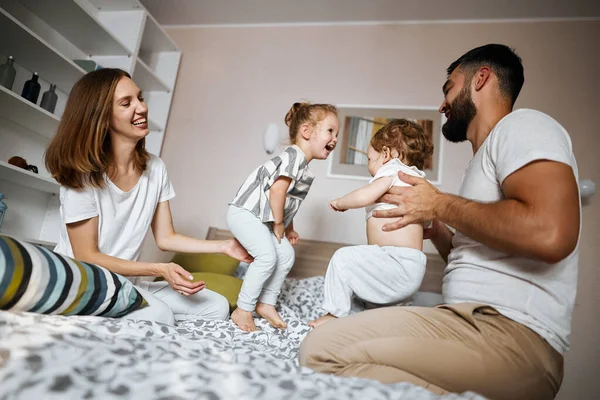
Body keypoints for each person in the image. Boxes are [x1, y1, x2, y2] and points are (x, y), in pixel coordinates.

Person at [299, 44, 580, 400]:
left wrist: (440, 204)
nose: (442, 103)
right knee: (320, 349)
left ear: (481, 79)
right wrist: (437, 229)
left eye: (449, 87)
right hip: (464, 322)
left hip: (508, 333)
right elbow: (471, 260)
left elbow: (550, 233)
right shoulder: (477, 167)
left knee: (323, 349)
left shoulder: (524, 126)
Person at [45, 68, 252, 325]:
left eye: (140, 98)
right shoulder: (81, 174)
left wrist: (223, 246)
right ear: (101, 117)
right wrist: (158, 269)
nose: (141, 108)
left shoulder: (155, 168)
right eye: (126, 103)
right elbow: (87, 256)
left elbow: (166, 237)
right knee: (160, 315)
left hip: (125, 284)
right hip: (82, 283)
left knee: (216, 307)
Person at [308, 119, 433, 328]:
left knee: (343, 259)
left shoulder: (393, 171)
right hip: (411, 267)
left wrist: (342, 202)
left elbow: (365, 196)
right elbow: (427, 219)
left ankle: (334, 314)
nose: (369, 166)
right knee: (376, 305)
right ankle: (390, 321)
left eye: (369, 158)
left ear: (385, 154)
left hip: (395, 261)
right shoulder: (419, 182)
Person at [227, 102, 339, 332]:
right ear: (306, 132)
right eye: (330, 131)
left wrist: (288, 228)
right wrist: (278, 223)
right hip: (246, 212)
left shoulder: (304, 170)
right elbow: (276, 192)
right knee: (267, 257)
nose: (335, 139)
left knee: (286, 254)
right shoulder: (293, 156)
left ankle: (266, 303)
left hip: (263, 219)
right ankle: (243, 309)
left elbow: (287, 201)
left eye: (337, 134)